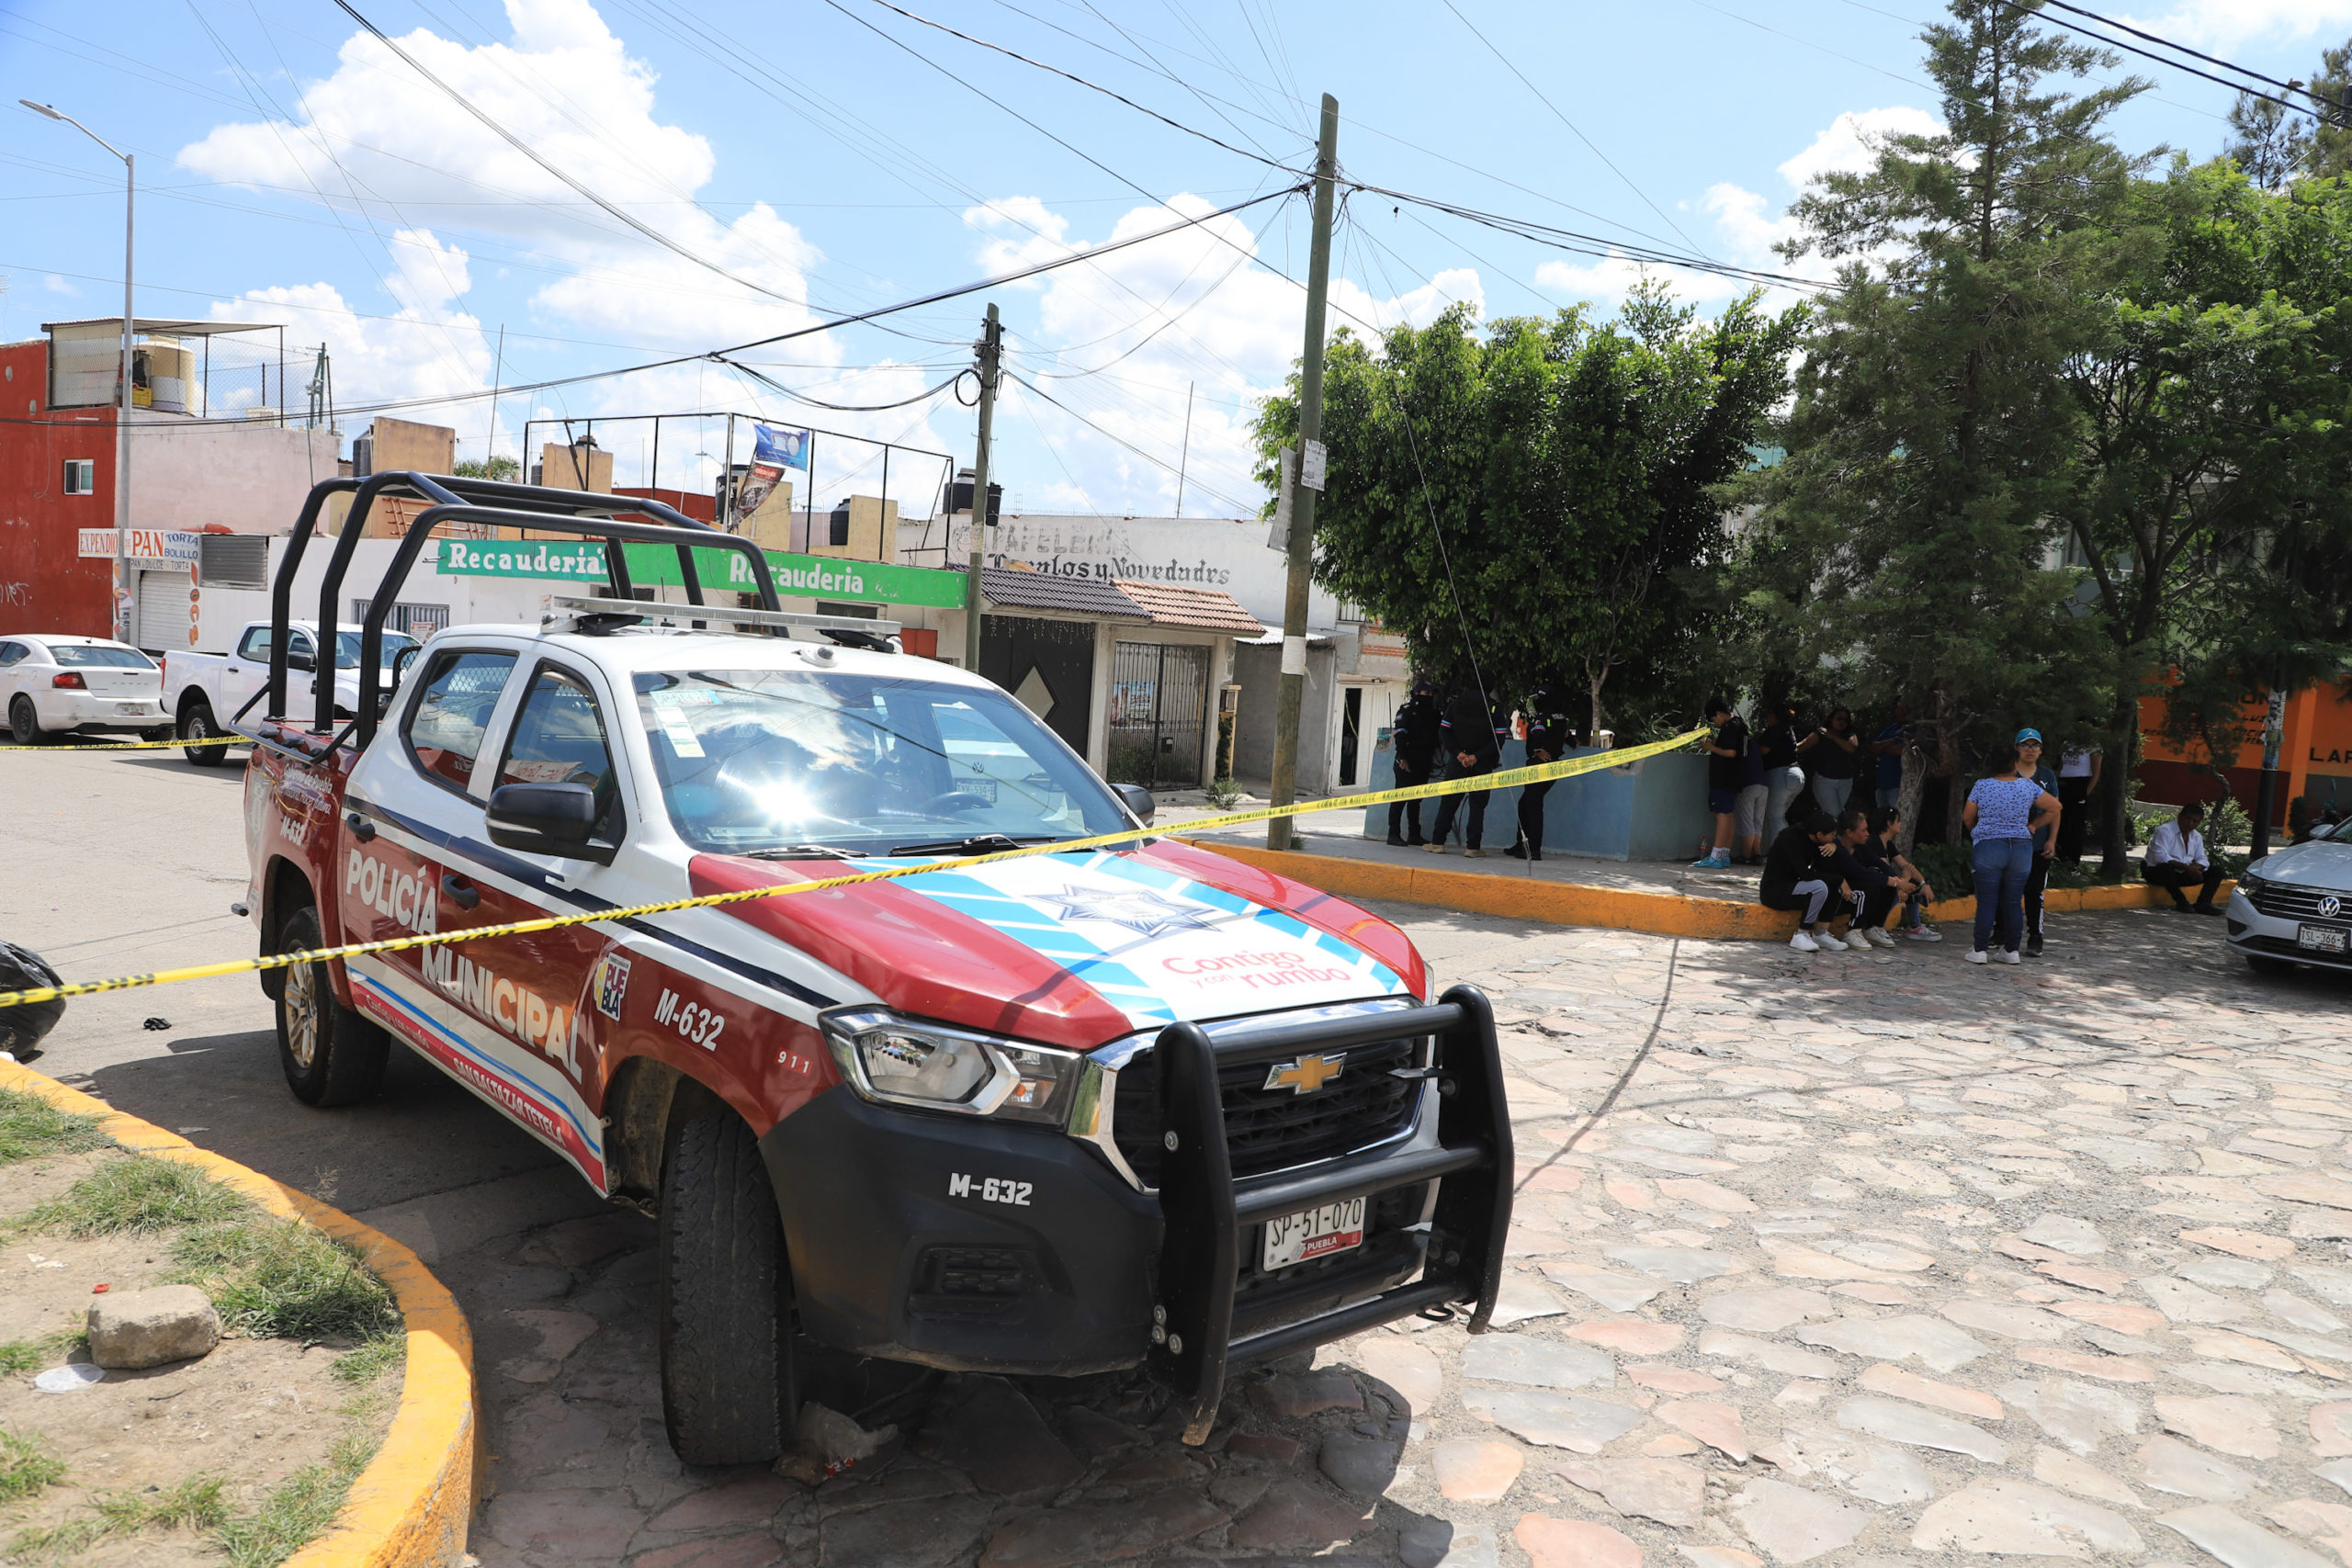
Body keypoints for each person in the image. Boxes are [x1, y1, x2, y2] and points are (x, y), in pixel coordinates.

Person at [1962, 741, 2061, 964]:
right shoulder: (2027, 786)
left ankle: (1979, 950)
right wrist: (2035, 824)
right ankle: (2011, 950)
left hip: (1989, 846)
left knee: (1987, 900)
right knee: (2013, 901)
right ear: (2014, 763)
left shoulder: (1982, 786)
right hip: (2021, 849)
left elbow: (1968, 816)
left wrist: (1977, 832)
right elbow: (2055, 807)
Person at [1760, 812, 1858, 953]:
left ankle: (1821, 934)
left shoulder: (1817, 841)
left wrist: (1832, 849)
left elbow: (1824, 870)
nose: (1834, 838)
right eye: (1831, 835)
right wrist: (1839, 879)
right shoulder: (1790, 838)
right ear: (1819, 834)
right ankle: (1802, 934)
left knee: (1832, 884)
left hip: (1795, 887)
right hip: (1775, 891)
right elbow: (1805, 874)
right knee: (1820, 887)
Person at [1426, 688, 1500, 858]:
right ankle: (1473, 848)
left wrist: (1458, 753)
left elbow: (1444, 731)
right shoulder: (1494, 708)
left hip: (1457, 762)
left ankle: (1437, 843)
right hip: (1482, 764)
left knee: (1448, 802)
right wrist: (1476, 757)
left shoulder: (1456, 704)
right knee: (1478, 805)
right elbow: (1499, 739)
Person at [1839, 807, 1922, 948]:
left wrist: (1900, 882)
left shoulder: (1861, 846)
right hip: (1839, 888)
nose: (1867, 834)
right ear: (1849, 833)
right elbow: (1860, 872)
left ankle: (1874, 928)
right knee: (1871, 888)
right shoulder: (1837, 847)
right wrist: (1899, 883)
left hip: (1853, 885)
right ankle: (1853, 930)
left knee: (1885, 885)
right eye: (1863, 830)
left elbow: (1883, 866)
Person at [1508, 688, 1572, 863]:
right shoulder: (1561, 718)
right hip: (1553, 768)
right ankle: (1521, 844)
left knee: (1533, 807)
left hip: (1539, 766)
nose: (1533, 701)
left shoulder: (1542, 718)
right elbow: (1568, 737)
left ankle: (1533, 850)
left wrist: (1537, 750)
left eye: (1536, 698)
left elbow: (1538, 733)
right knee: (1524, 804)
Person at [2014, 729, 2061, 956]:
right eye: (2025, 745)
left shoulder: (2047, 776)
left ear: (2041, 750)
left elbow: (2055, 810)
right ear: (2017, 748)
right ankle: (2001, 931)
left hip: (2037, 845)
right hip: (2011, 845)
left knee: (2034, 891)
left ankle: (2035, 936)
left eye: (2035, 746)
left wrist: (2052, 840)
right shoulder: (2008, 774)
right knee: (2008, 890)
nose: (2030, 749)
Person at [1869, 805, 1943, 941]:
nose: (1901, 824)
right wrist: (1903, 881)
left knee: (1914, 883)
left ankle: (1915, 927)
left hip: (1887, 881)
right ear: (1889, 823)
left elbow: (1906, 866)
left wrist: (1923, 883)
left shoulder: (1888, 844)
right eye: (1898, 821)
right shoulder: (1874, 841)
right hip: (1873, 884)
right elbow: (1885, 870)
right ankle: (1876, 926)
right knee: (1894, 888)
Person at [1694, 698, 1748, 870]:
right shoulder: (1740, 725)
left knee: (1721, 814)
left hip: (1725, 778)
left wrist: (1710, 747)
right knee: (1728, 814)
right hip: (1734, 778)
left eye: (1714, 719)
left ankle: (1716, 855)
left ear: (1718, 713)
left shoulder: (1730, 728)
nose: (1715, 723)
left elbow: (1731, 753)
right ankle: (1724, 854)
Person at [2145, 802, 2227, 914]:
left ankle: (2203, 904)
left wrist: (2197, 868)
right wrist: (2187, 868)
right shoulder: (2164, 831)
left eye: (2195, 821)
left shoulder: (2196, 836)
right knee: (2165, 868)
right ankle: (2182, 902)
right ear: (2180, 817)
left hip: (2182, 874)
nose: (2190, 823)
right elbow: (2160, 857)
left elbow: (2202, 858)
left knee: (2216, 871)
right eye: (2188, 819)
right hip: (2159, 874)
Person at [1387, 680, 1442, 846]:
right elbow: (1400, 735)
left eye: (1431, 694)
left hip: (1423, 761)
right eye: (1426, 693)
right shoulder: (1407, 711)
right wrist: (1403, 758)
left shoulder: (1433, 713)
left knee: (1416, 799)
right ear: (1417, 694)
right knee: (1400, 798)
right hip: (1407, 761)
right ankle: (1393, 834)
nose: (1430, 696)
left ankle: (1414, 834)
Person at [1799, 706, 1862, 818]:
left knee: (1837, 814)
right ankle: (1833, 835)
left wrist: (1833, 737)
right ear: (1831, 719)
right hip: (1825, 780)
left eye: (1845, 720)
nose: (1842, 722)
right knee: (1833, 814)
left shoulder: (1850, 735)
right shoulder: (1820, 733)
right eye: (1839, 718)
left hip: (1845, 781)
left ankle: (1830, 834)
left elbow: (1852, 748)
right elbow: (1802, 746)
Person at [1759, 700, 1806, 838]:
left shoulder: (1775, 730)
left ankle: (1778, 854)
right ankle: (1781, 851)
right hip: (1796, 775)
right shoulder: (1787, 729)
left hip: (1781, 775)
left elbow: (1762, 750)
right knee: (1779, 816)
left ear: (1774, 715)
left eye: (1768, 714)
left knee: (1774, 817)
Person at [2056, 743, 2100, 862]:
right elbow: (2061, 766)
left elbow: (2096, 772)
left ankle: (2074, 861)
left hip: (2080, 784)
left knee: (2076, 825)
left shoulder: (2094, 746)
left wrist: (2085, 793)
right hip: (2064, 784)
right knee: (2061, 822)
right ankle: (2060, 857)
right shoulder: (2066, 744)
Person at [1872, 702, 1911, 810]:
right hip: (1882, 785)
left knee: (1896, 820)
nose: (1902, 711)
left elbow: (1901, 750)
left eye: (1905, 707)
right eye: (1899, 707)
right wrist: (1891, 741)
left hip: (1899, 785)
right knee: (1882, 820)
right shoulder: (1891, 728)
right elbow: (1874, 747)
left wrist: (1883, 747)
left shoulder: (1914, 728)